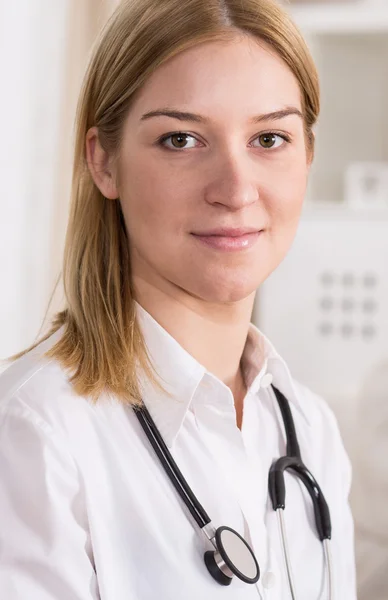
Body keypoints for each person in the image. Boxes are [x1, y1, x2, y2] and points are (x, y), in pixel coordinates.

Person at [0, 0, 357, 598]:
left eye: (269, 138)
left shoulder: (309, 430)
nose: (236, 189)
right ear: (103, 162)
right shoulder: (36, 435)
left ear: (308, 157)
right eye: (182, 139)